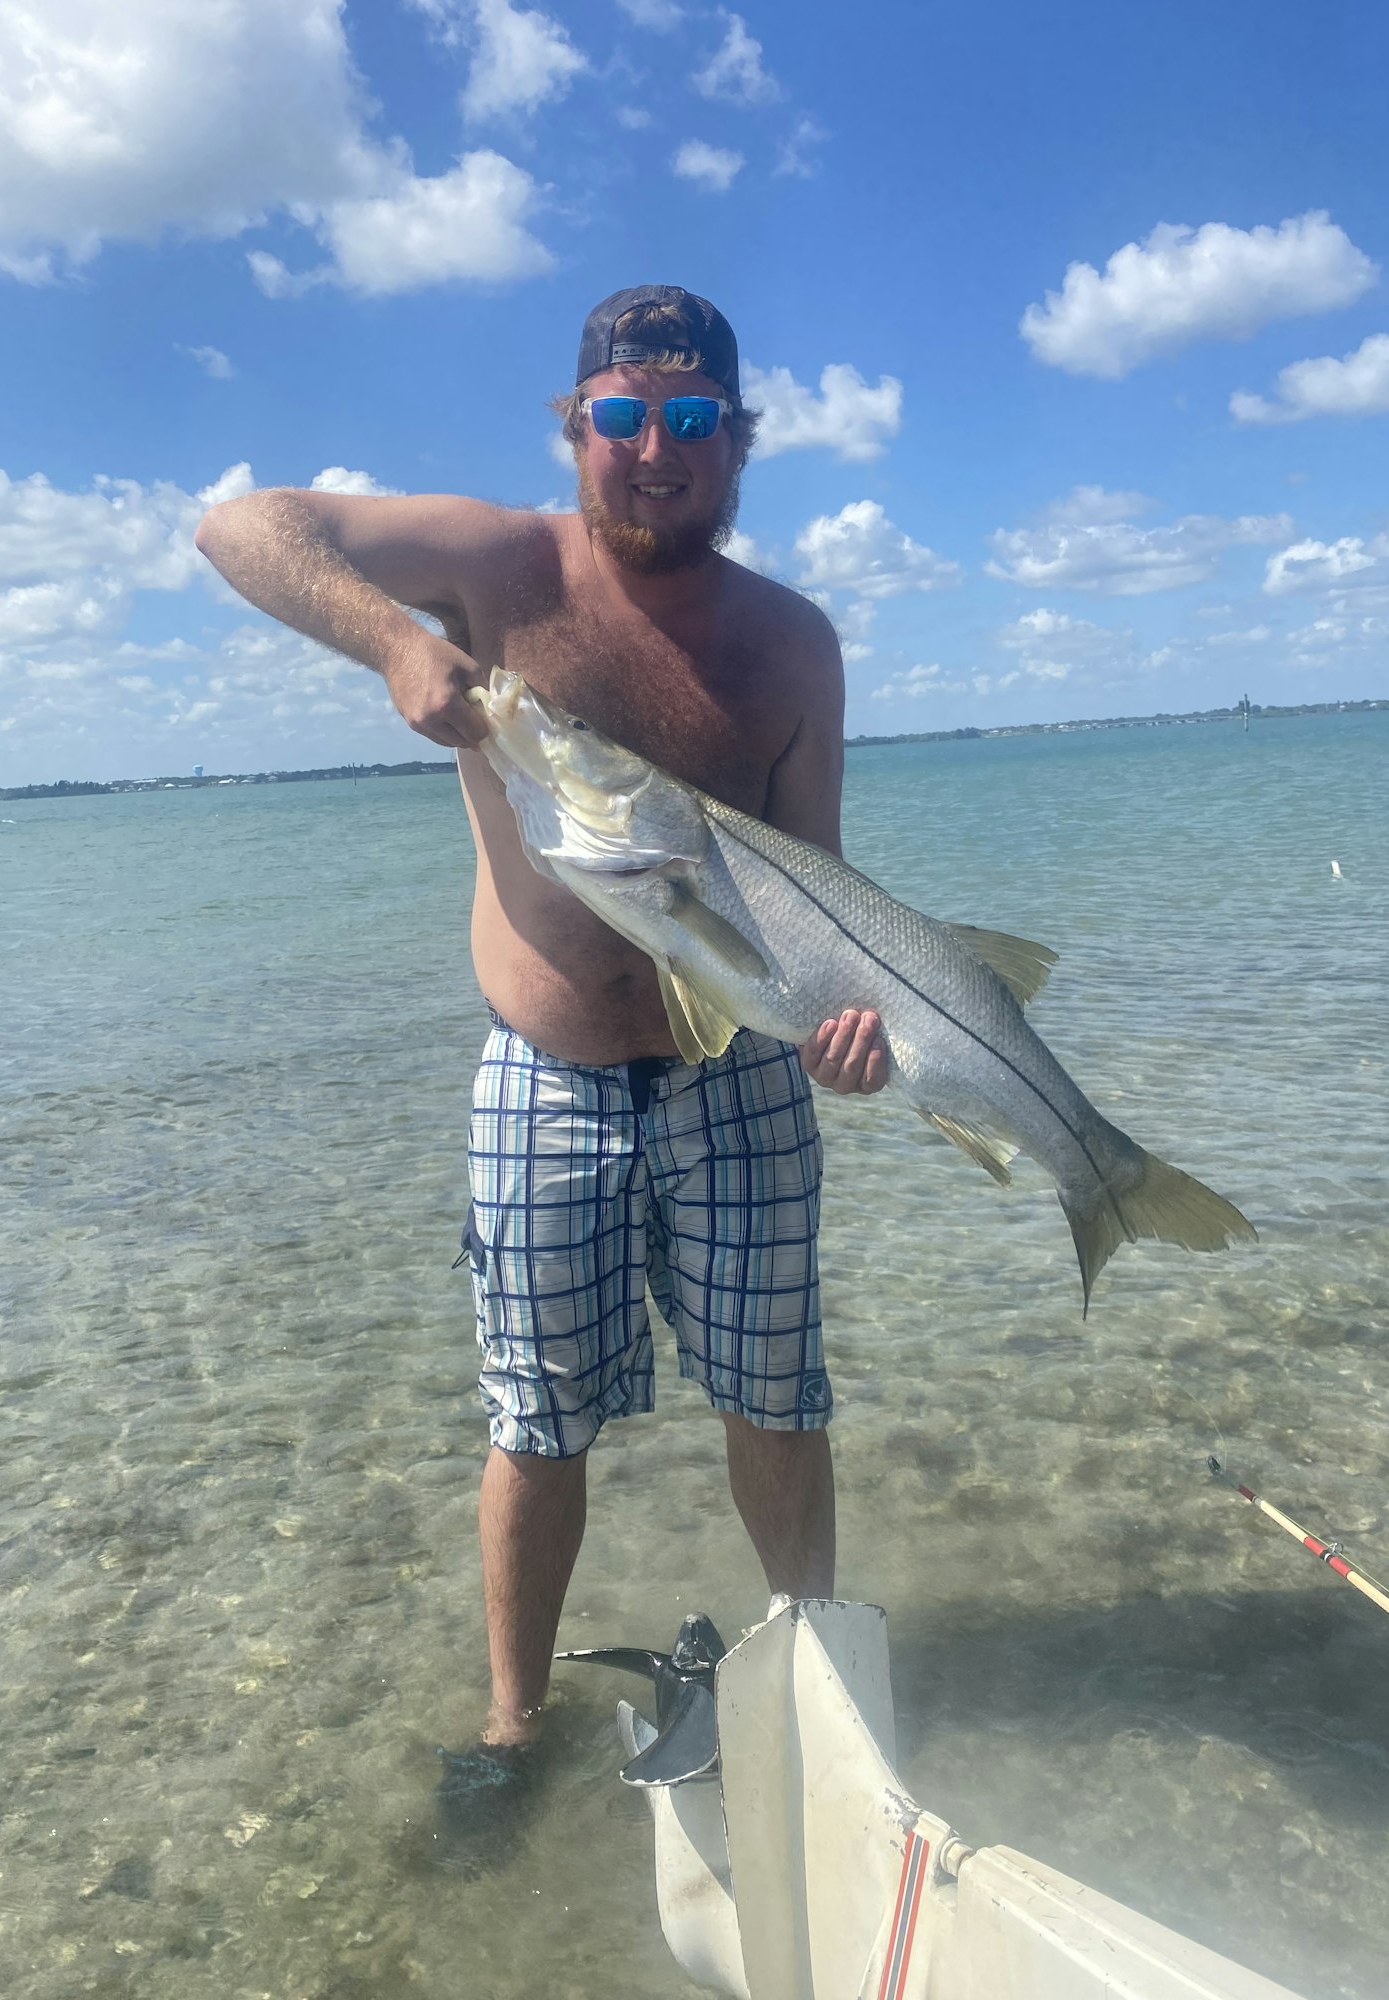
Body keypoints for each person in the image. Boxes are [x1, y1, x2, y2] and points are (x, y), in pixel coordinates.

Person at [194, 284, 887, 1766]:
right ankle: (514, 1727)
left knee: (776, 1395)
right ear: (578, 430)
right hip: (541, 1078)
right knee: (534, 1420)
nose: (655, 447)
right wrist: (393, 641)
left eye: (690, 418)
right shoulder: (500, 564)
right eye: (623, 415)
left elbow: (819, 881)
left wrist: (854, 1034)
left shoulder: (795, 643)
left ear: (738, 442)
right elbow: (242, 527)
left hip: (748, 1079)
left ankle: (825, 1688)